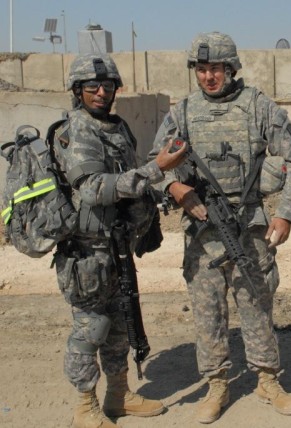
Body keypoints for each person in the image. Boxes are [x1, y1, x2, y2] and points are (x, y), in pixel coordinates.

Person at [148, 32, 291, 424]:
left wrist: (284, 214)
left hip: (249, 224)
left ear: (231, 68)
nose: (208, 77)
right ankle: (217, 383)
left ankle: (267, 378)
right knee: (208, 312)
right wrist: (179, 189)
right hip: (203, 229)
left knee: (256, 301)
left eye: (215, 68)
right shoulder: (182, 112)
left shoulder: (259, 107)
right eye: (201, 69)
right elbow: (156, 164)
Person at [52, 53, 187, 427]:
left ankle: (118, 395)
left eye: (107, 85)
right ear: (77, 91)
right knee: (90, 328)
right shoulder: (76, 130)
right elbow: (94, 189)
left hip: (117, 247)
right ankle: (84, 405)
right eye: (91, 86)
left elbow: (129, 180)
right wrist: (157, 168)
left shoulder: (117, 126)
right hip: (86, 251)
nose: (100, 92)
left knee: (119, 325)